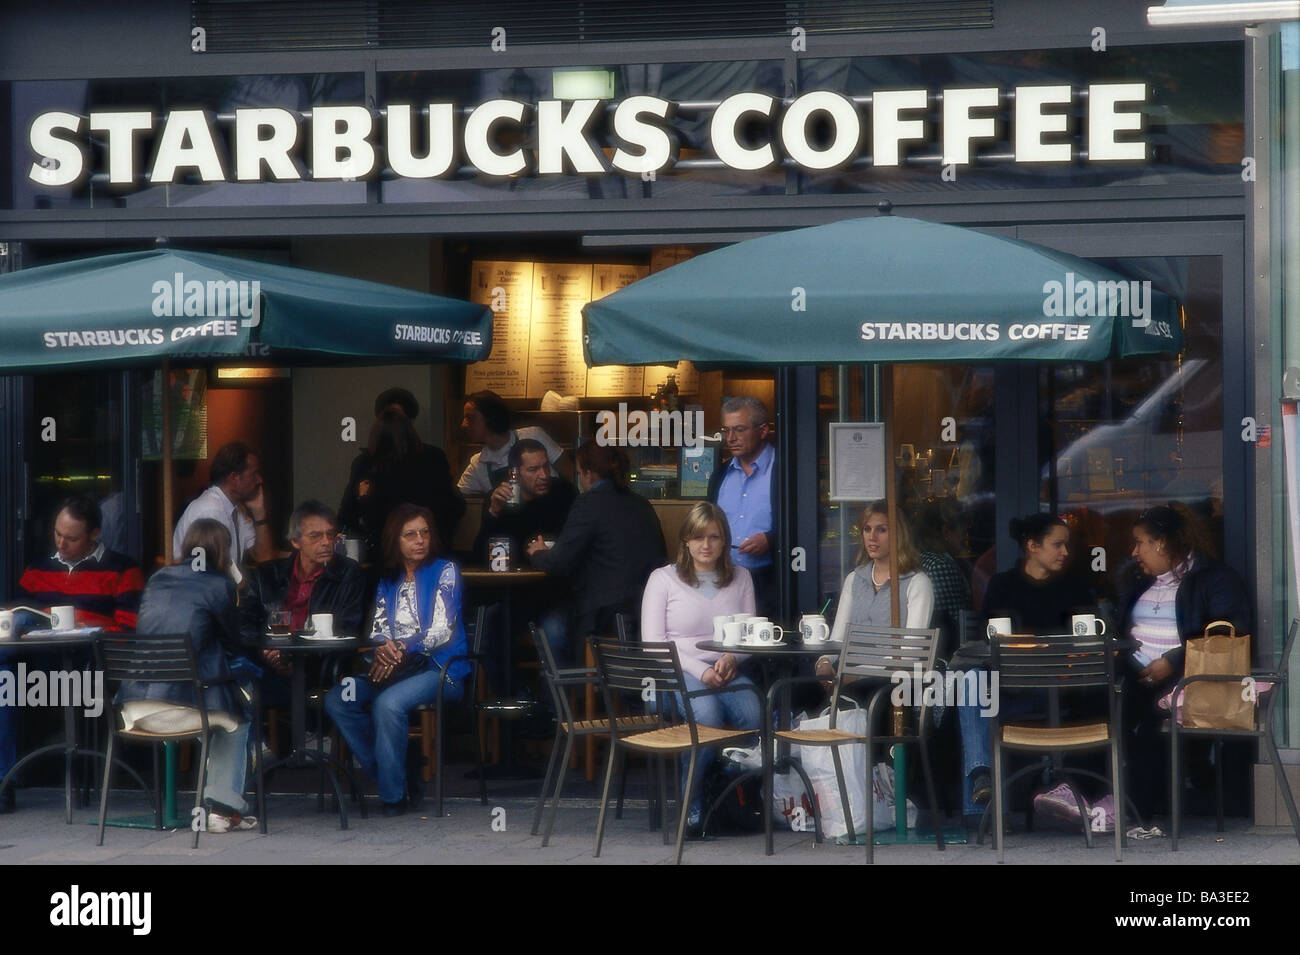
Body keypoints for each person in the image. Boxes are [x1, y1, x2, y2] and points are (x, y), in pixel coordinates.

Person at [324, 504, 471, 816]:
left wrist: (401, 648)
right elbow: (379, 630)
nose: (420, 540)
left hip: (441, 668)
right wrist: (383, 650)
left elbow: (441, 630)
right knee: (339, 698)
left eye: (425, 533)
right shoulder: (387, 580)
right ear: (396, 540)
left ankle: (393, 796)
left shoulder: (445, 570)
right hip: (396, 668)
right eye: (410, 534)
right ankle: (400, 770)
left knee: (387, 704)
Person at [2, 495, 145, 813]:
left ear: (94, 534)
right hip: (41, 670)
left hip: (92, 668)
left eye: (71, 537)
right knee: (1, 678)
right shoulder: (38, 568)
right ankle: (4, 784)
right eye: (57, 534)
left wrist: (81, 625)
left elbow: (129, 634)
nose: (61, 544)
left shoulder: (122, 569)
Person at [116, 520, 259, 832]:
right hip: (181, 710)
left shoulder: (158, 578)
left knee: (222, 707)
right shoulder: (219, 585)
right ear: (225, 553)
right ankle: (221, 808)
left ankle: (220, 798)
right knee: (238, 716)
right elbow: (236, 644)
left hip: (134, 709)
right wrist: (239, 584)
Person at [954, 514, 1096, 824]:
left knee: (977, 701)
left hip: (1057, 695)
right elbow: (986, 641)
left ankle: (981, 803)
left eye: (1066, 545)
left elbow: (1090, 641)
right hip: (1012, 692)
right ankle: (981, 776)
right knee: (971, 682)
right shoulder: (1003, 585)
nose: (1065, 552)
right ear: (1032, 545)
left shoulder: (1075, 587)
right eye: (1057, 545)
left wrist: (1032, 645)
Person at [1118, 504, 1250, 836]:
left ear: (1161, 543)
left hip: (1187, 681)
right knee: (1095, 705)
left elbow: (1225, 633)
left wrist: (1174, 662)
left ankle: (1135, 809)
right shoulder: (1138, 582)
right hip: (1137, 675)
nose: (1135, 552)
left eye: (1140, 543)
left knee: (1144, 718)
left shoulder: (1215, 579)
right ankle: (1094, 796)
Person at [641, 502, 760, 832]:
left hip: (725, 669)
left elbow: (748, 635)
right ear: (685, 542)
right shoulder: (663, 579)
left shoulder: (741, 577)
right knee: (706, 717)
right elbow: (653, 643)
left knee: (752, 714)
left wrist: (732, 658)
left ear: (725, 541)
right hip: (676, 671)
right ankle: (691, 809)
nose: (705, 545)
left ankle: (730, 801)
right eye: (697, 537)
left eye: (714, 537)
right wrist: (699, 668)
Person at [526, 441, 666, 648]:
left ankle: (568, 681)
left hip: (604, 614)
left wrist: (537, 553)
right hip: (646, 610)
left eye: (580, 474)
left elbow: (558, 563)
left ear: (589, 474)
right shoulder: (641, 504)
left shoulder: (589, 503)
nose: (580, 480)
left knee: (551, 629)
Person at [240, 501, 366, 709]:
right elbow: (244, 624)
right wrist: (267, 651)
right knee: (237, 683)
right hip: (267, 666)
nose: (326, 542)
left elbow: (348, 629)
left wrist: (294, 659)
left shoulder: (348, 574)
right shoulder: (267, 576)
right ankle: (258, 741)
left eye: (330, 534)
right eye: (315, 536)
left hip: (317, 669)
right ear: (295, 542)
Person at [473, 436, 578, 664]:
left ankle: (555, 700)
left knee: (554, 633)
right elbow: (481, 555)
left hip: (555, 593)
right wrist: (493, 512)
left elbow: (574, 549)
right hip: (514, 595)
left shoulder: (564, 494)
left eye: (545, 466)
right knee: (487, 629)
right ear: (515, 473)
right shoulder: (501, 498)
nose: (543, 475)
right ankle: (514, 696)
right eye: (533, 469)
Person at [338, 392, 465, 557]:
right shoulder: (433, 458)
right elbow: (455, 507)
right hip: (427, 551)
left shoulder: (366, 464)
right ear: (410, 426)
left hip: (383, 554)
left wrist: (362, 501)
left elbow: (346, 516)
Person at [708, 396, 779, 617]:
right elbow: (707, 523)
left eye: (739, 430)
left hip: (770, 582)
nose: (730, 438)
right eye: (726, 430)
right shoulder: (720, 473)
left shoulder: (785, 469)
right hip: (723, 579)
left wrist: (771, 540)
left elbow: (812, 522)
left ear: (763, 430)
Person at [173, 441, 274, 575]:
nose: (259, 480)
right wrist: (240, 583)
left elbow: (264, 558)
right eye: (254, 474)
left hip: (218, 592)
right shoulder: (210, 511)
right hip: (203, 593)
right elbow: (205, 573)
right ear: (234, 478)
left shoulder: (235, 509)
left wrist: (259, 513)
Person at [457, 389, 566, 495]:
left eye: (470, 418)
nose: (463, 424)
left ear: (489, 417)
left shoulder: (534, 435)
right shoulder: (478, 464)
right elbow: (458, 501)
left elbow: (572, 474)